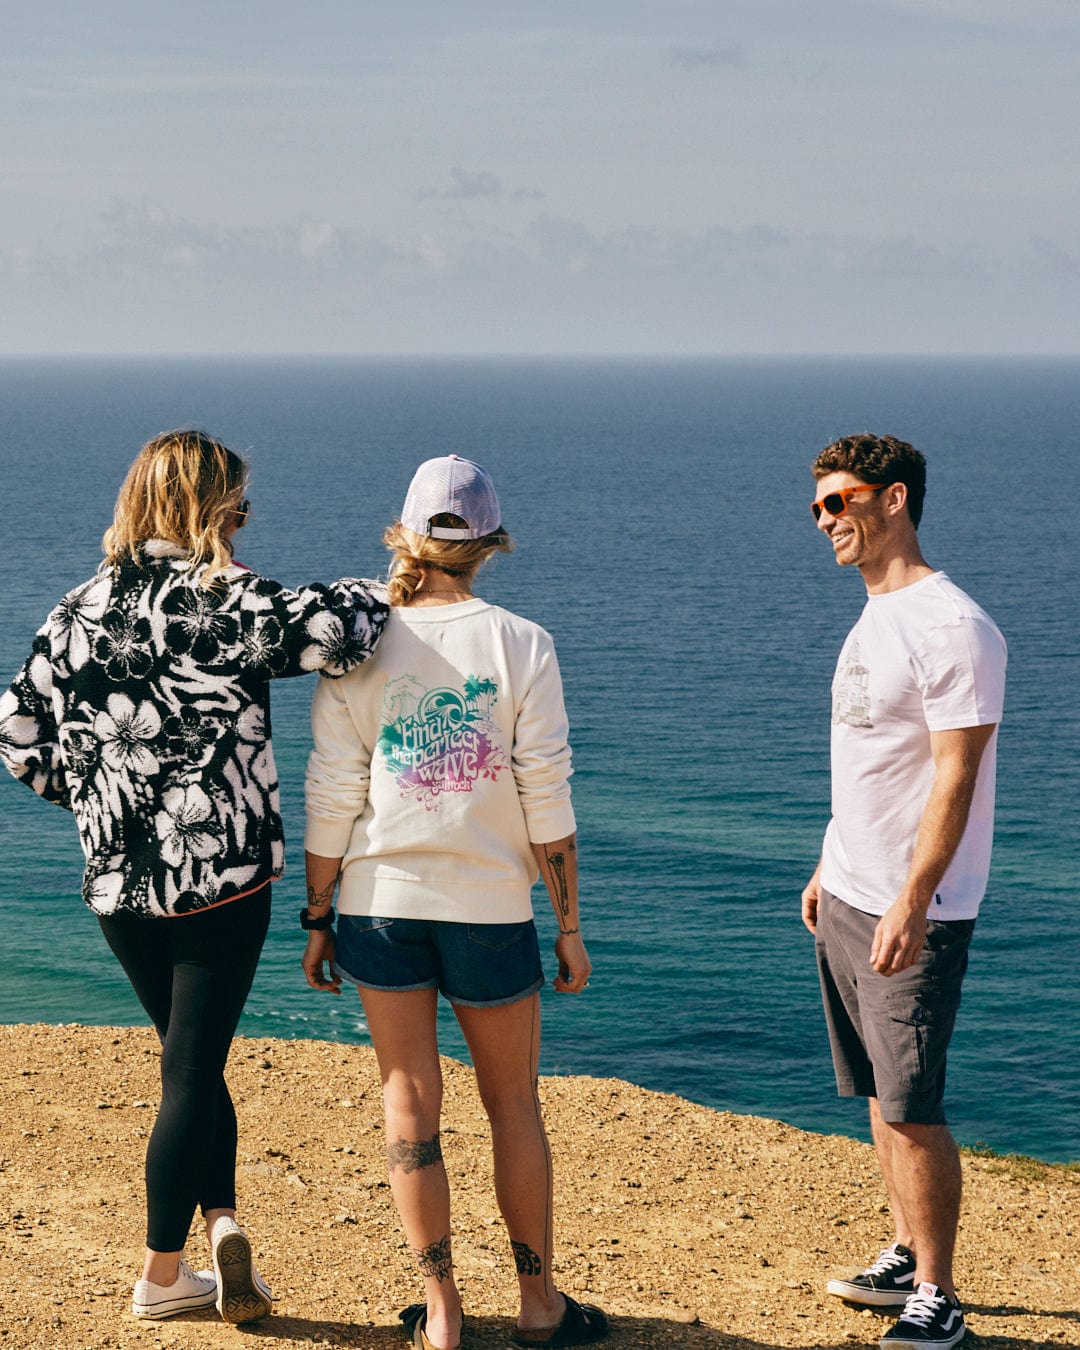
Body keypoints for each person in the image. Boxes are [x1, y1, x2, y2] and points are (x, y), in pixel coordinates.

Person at [0, 430, 388, 1324]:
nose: (246, 523)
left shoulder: (78, 608)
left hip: (120, 888)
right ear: (211, 511)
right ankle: (160, 1275)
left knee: (192, 1061)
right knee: (190, 1069)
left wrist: (101, 804)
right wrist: (396, 580)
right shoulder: (228, 600)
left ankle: (221, 1223)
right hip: (226, 882)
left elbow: (17, 735)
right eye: (241, 508)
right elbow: (341, 630)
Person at [301, 455, 609, 1350]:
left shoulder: (357, 646)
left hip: (378, 904)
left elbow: (334, 793)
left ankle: (440, 1313)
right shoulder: (525, 644)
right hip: (488, 910)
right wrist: (570, 927)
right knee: (512, 1103)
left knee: (409, 1098)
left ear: (405, 534)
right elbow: (547, 803)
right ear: (488, 544)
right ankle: (539, 1304)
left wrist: (319, 918)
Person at [801, 434, 1006, 1350]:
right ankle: (903, 1246)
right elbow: (870, 763)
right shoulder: (874, 614)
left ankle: (938, 1293)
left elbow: (954, 778)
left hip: (909, 906)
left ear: (893, 501)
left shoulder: (952, 626)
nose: (825, 522)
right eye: (817, 508)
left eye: (838, 503)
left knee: (914, 1104)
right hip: (850, 888)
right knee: (881, 1097)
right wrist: (827, 861)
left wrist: (913, 898)